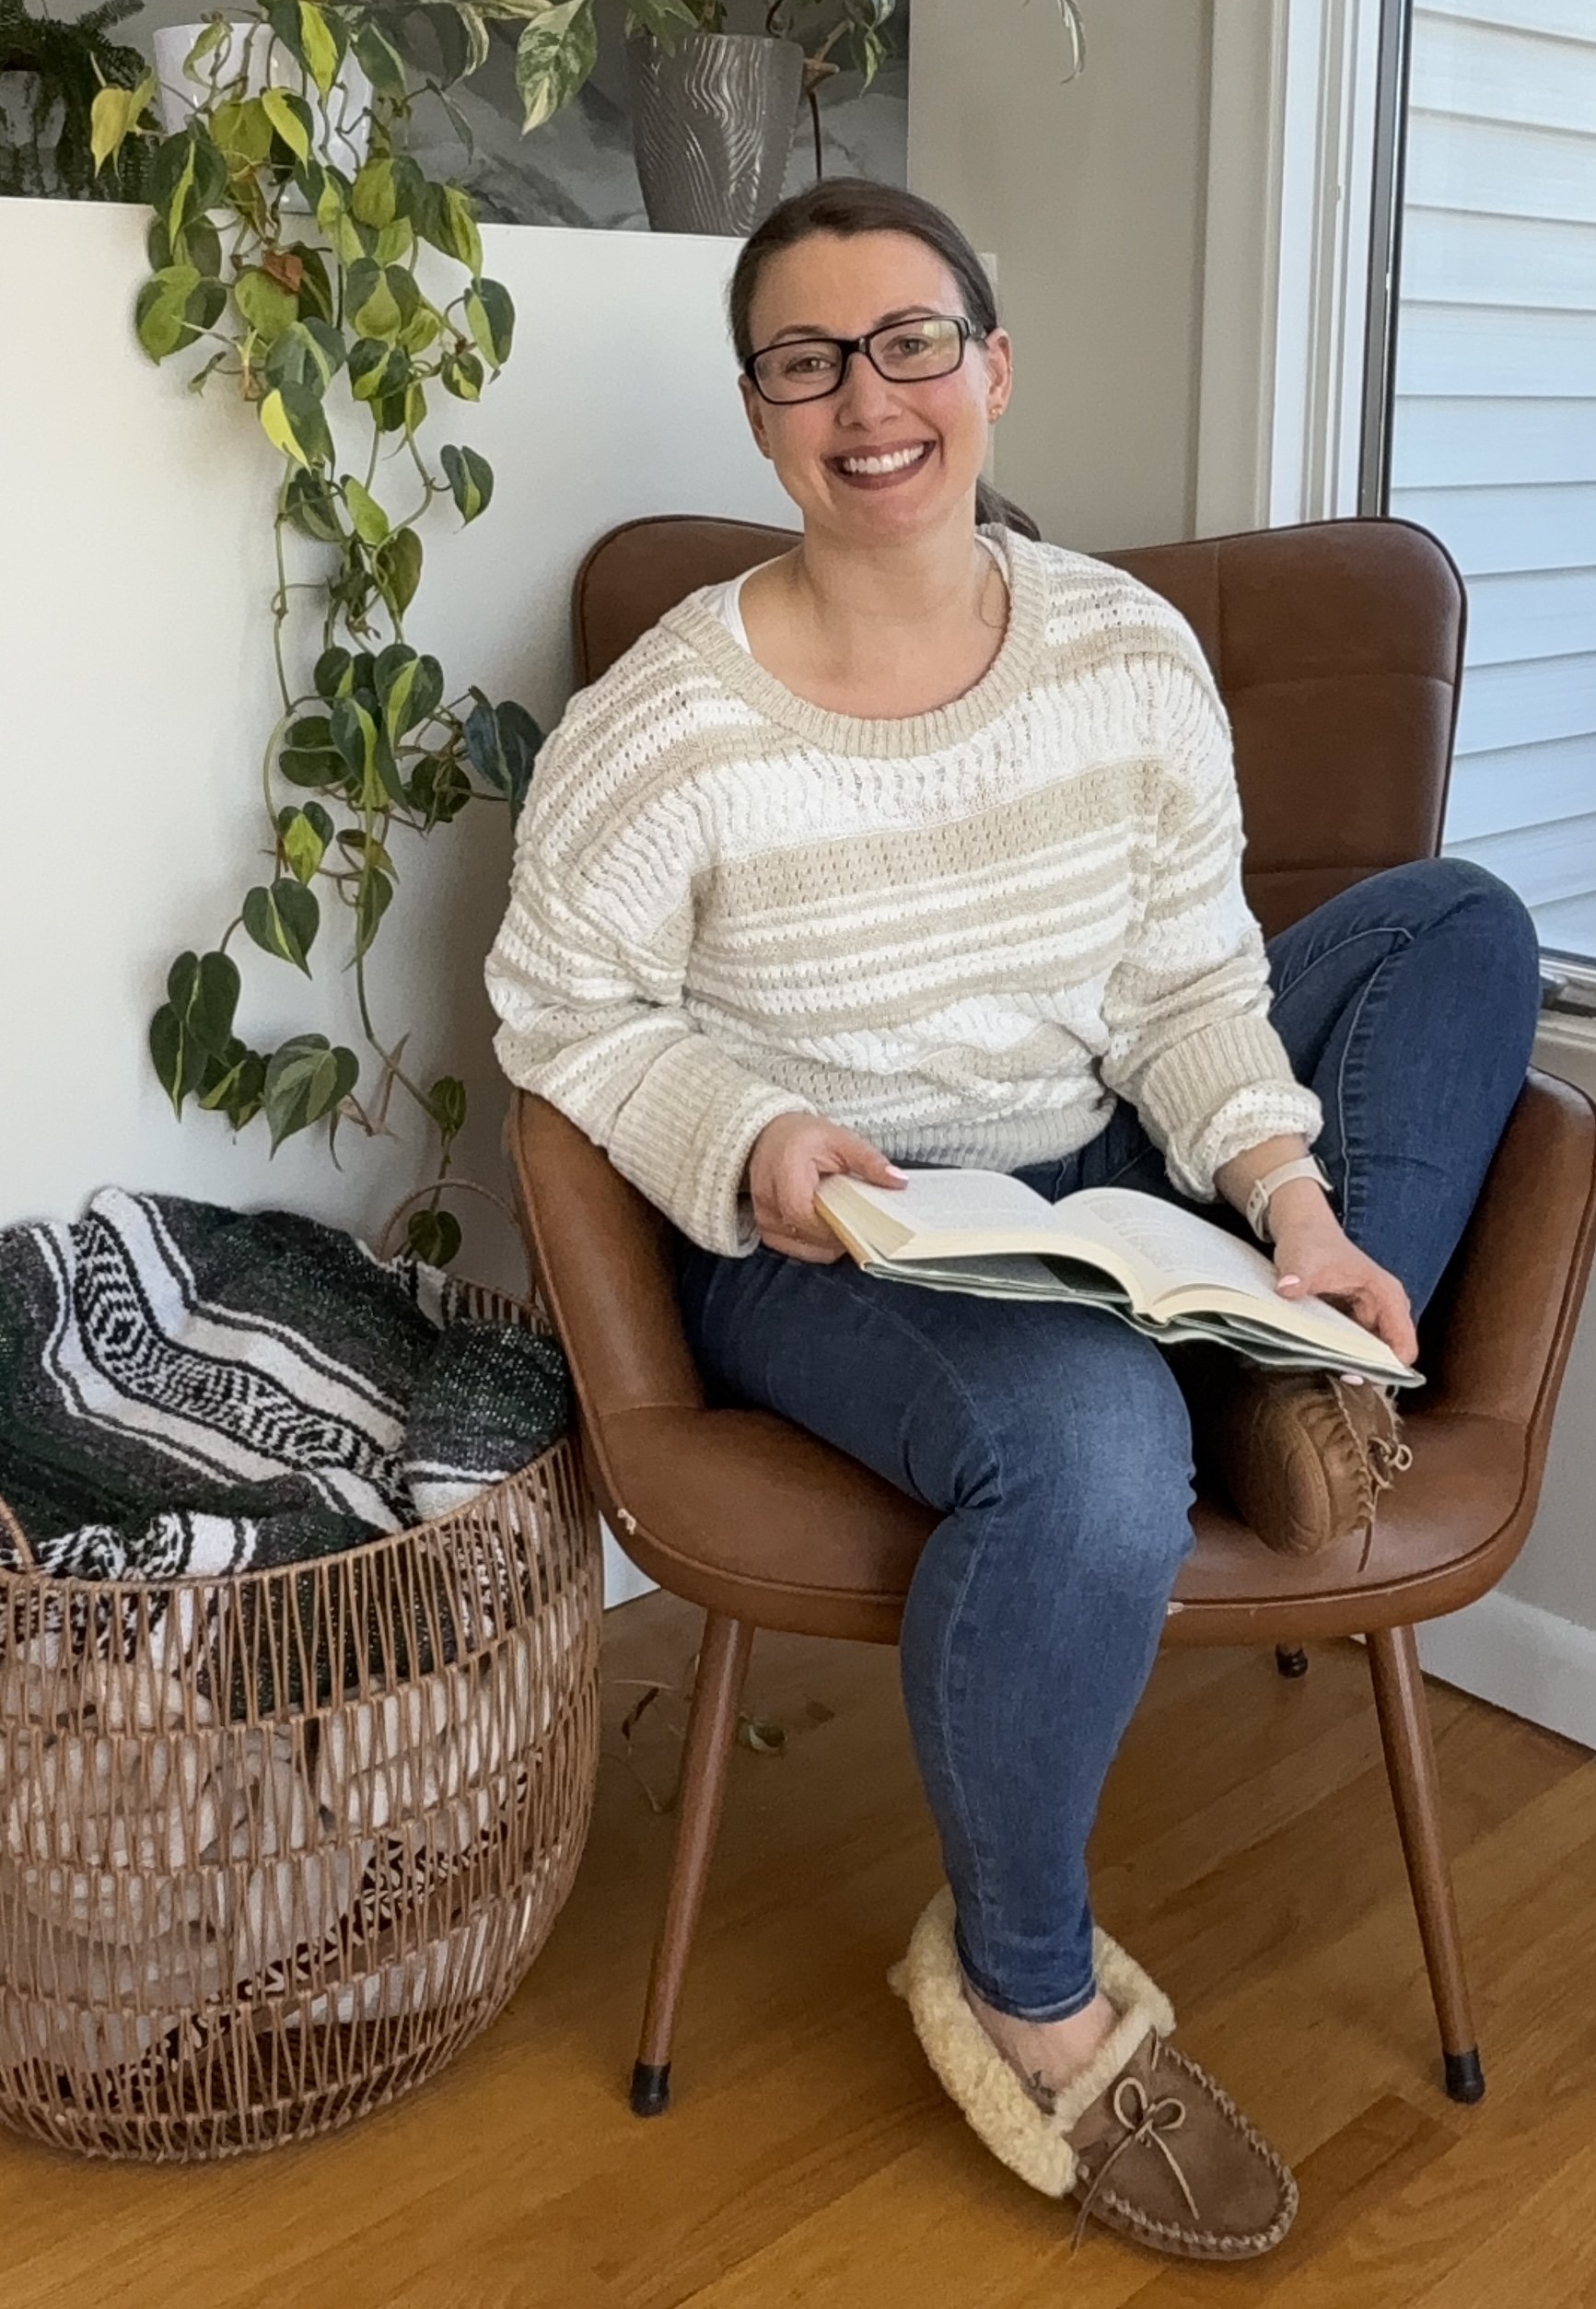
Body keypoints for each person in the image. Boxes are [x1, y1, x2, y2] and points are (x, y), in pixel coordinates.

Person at [484, 177, 1538, 2261]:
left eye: (905, 344)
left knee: (1456, 926)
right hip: (837, 1234)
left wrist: (1290, 1194)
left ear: (988, 366)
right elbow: (561, 1009)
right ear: (759, 410)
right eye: (805, 360)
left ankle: (1275, 1328)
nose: (863, 401)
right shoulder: (664, 725)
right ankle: (1026, 1981)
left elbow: (1182, 986)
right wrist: (757, 1130)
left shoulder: (1121, 653)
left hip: (1100, 1159)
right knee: (1083, 1443)